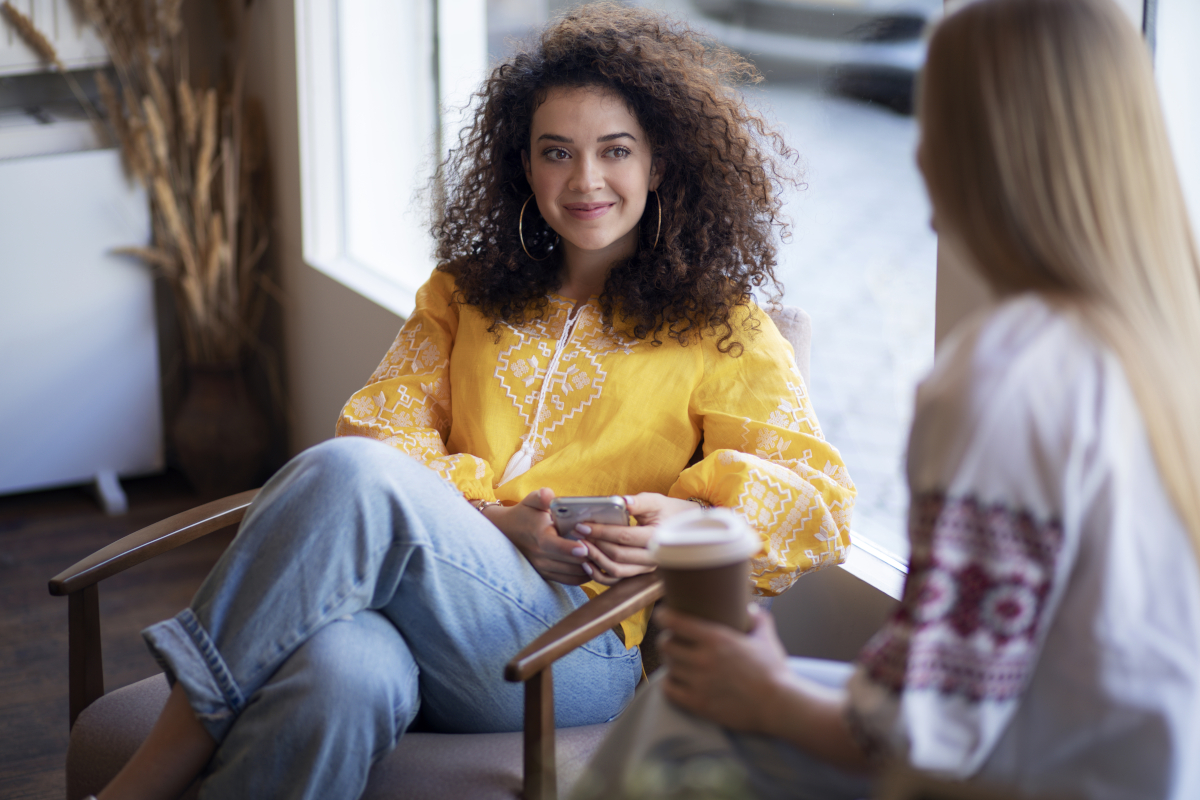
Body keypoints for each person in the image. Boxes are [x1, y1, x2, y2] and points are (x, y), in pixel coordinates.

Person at [93, 5, 856, 800]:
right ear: (523, 166)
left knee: (346, 474)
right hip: (422, 621)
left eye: (615, 152)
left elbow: (820, 501)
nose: (585, 180)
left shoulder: (721, 326)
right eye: (556, 153)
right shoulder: (462, 295)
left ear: (659, 164)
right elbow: (382, 429)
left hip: (571, 652)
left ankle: (144, 780)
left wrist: (687, 532)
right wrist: (494, 523)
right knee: (340, 670)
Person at [574, 0, 1200, 798]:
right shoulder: (1161, 338)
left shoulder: (1006, 383)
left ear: (987, 149)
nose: (920, 155)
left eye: (935, 123)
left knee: (674, 715)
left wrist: (762, 691)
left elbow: (928, 728)